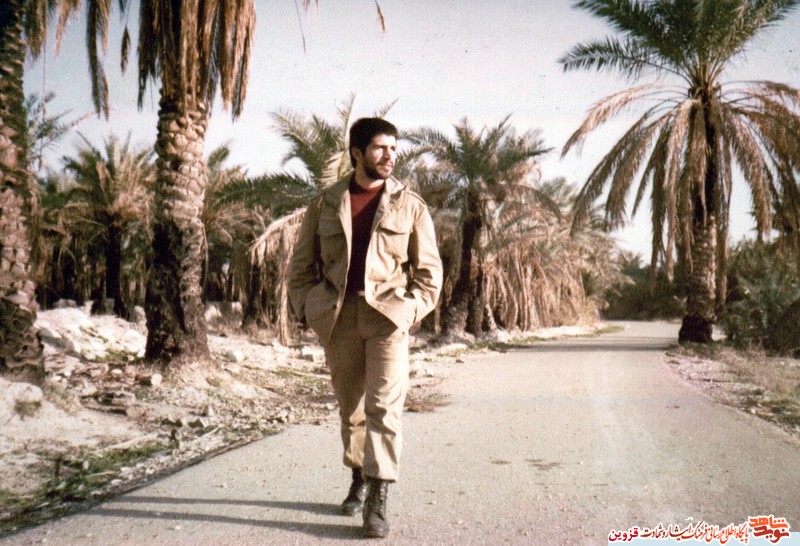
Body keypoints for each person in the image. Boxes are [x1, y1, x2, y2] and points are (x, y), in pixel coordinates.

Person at [288, 117, 443, 538]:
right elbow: (300, 268)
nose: (390, 155)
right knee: (351, 407)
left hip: (387, 318)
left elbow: (429, 273)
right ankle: (358, 476)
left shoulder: (410, 206)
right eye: (380, 148)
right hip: (339, 318)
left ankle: (378, 495)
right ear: (357, 153)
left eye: (394, 147)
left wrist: (408, 311)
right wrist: (309, 309)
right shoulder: (325, 203)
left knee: (384, 406)